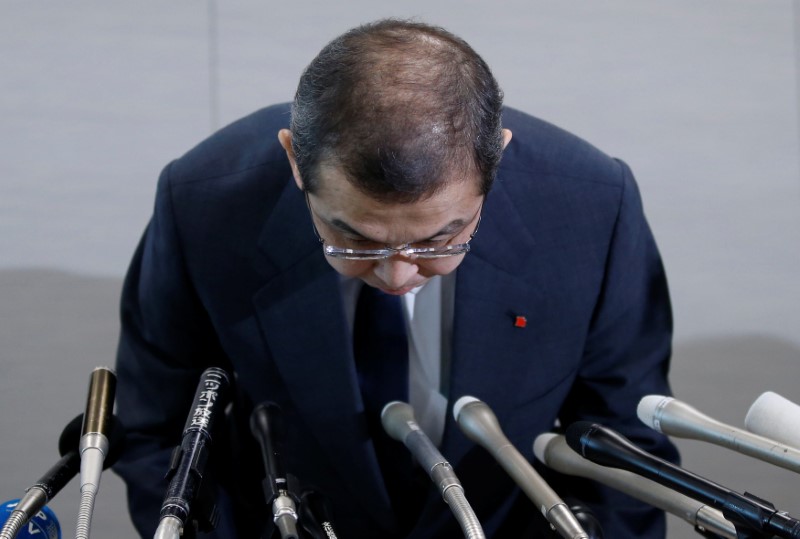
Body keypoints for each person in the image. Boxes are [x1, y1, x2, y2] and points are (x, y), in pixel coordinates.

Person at [113, 18, 679, 538]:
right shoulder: (203, 201)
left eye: (438, 239)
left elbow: (625, 448)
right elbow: (159, 431)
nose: (397, 272)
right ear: (294, 161)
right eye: (354, 237)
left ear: (497, 162)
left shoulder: (592, 205)